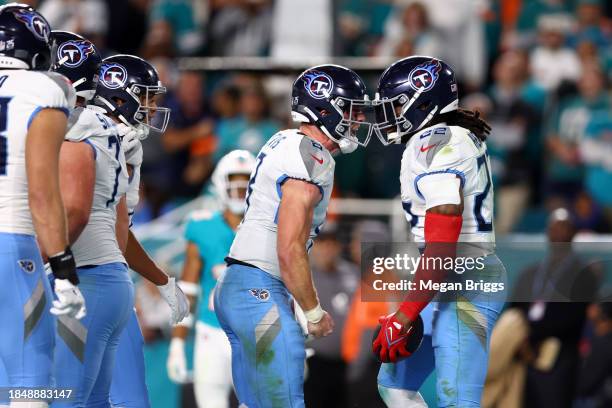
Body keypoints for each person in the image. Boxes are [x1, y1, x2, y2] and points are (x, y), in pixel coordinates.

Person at [214, 64, 373, 407]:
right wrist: (313, 311)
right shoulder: (310, 157)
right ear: (324, 109)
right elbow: (289, 247)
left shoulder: (285, 140)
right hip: (259, 287)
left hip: (243, 284)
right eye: (350, 110)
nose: (356, 120)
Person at [371, 56, 505, 407]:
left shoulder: (437, 141)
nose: (391, 114)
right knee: (395, 386)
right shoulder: (444, 137)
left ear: (425, 101)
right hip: (446, 277)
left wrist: (405, 313)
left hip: (466, 278)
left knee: (457, 401)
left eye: (397, 104)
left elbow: (444, 242)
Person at [78, 53, 188, 408]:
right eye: (146, 97)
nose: (153, 107)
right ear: (120, 95)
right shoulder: (84, 128)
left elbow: (117, 232)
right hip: (77, 276)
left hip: (105, 275)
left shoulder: (125, 141)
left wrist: (160, 280)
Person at [0, 5, 84, 405]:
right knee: (29, 385)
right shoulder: (41, 90)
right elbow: (42, 191)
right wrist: (63, 266)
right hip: (12, 246)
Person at [48, 32, 135, 408]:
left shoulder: (74, 125)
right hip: (107, 276)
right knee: (93, 401)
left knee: (60, 399)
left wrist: (44, 262)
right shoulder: (99, 124)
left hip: (86, 277)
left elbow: (75, 210)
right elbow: (119, 221)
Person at [166, 150, 256, 408]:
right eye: (234, 181)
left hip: (255, 334)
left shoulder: (268, 228)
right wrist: (177, 342)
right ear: (220, 184)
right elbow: (187, 289)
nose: (239, 188)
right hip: (211, 333)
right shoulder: (203, 227)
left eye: (246, 181)